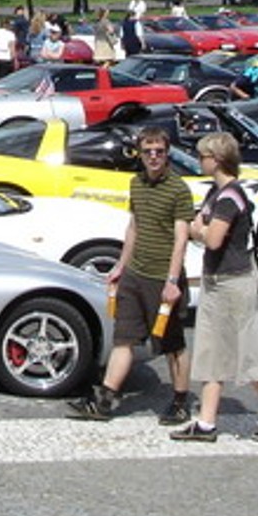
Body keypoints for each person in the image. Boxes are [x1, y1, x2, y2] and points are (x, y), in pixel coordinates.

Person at [171, 132, 258, 443]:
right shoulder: (216, 192)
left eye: (202, 156)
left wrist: (200, 230)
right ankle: (206, 423)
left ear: (217, 159)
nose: (199, 161)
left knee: (248, 352)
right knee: (211, 351)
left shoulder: (230, 197)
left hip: (233, 283)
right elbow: (199, 224)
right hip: (215, 281)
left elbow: (211, 238)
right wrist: (201, 227)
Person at [69, 126, 194, 425]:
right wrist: (120, 266)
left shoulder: (178, 189)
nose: (154, 157)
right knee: (124, 338)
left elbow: (181, 239)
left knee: (172, 344)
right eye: (148, 151)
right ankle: (105, 400)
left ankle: (180, 401)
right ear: (140, 153)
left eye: (159, 151)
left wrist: (172, 282)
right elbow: (134, 227)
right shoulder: (136, 183)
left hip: (163, 279)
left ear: (167, 154)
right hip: (135, 275)